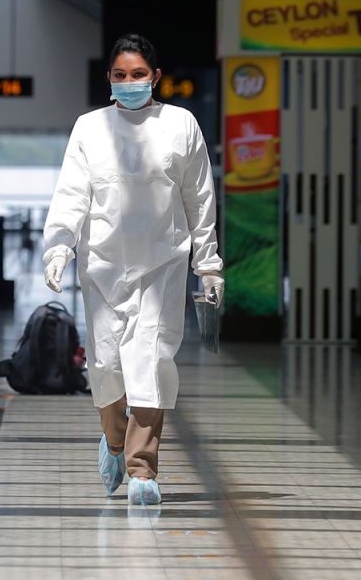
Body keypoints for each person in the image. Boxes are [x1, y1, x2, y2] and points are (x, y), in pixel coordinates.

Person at [43, 33, 225, 506]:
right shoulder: (89, 128)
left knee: (150, 358)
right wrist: (59, 248)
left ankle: (143, 469)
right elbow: (71, 194)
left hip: (163, 261)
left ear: (156, 77)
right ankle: (115, 440)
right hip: (101, 263)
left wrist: (207, 264)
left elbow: (199, 198)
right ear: (109, 79)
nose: (129, 83)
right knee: (106, 363)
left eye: (138, 74)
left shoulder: (181, 125)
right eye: (120, 76)